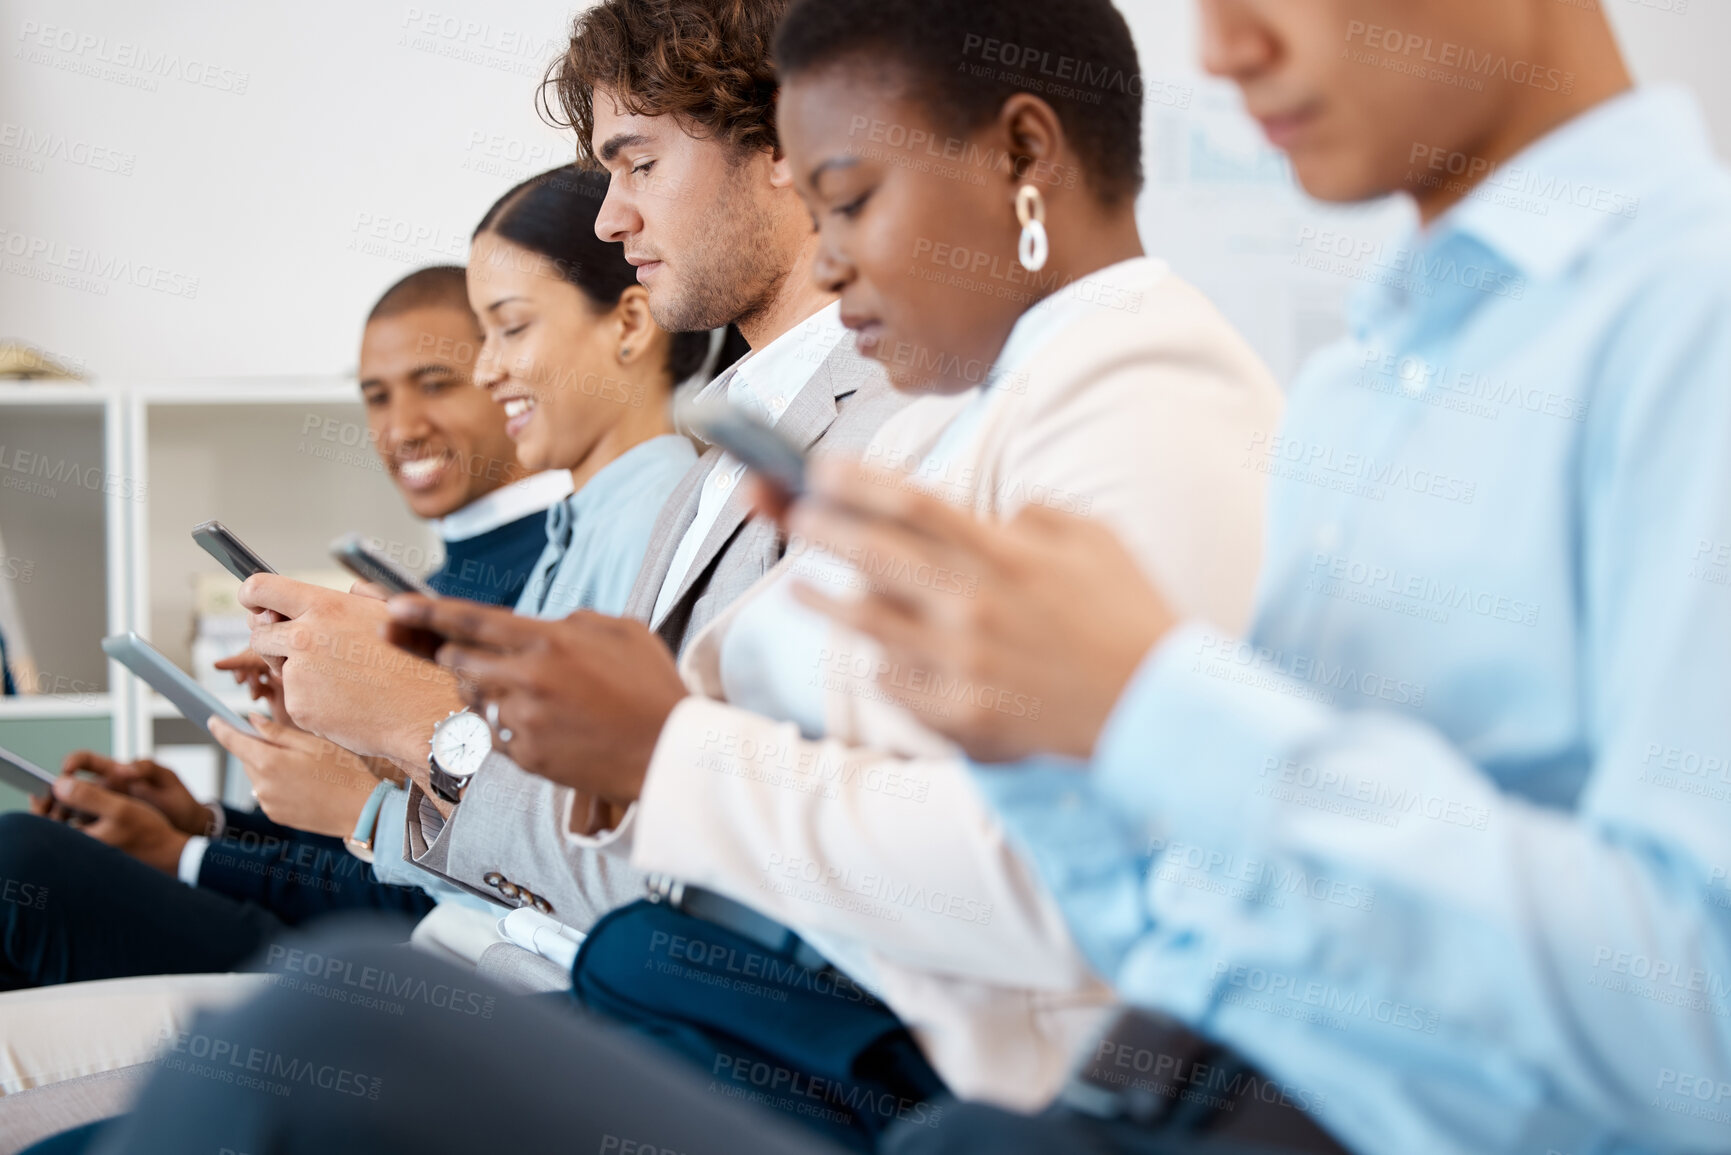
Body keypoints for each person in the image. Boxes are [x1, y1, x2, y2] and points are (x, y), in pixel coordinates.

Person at [240, 0, 1280, 1130]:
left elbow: (1082, 874)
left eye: (852, 199)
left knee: (309, 1028)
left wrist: (633, 750)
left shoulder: (1129, 388)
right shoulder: (975, 407)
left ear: (1023, 156)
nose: (827, 259)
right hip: (741, 1015)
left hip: (916, 1090)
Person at [760, 0, 1731, 1152]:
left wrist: (1158, 703)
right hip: (1147, 1088)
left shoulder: (1691, 325)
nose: (1223, 53)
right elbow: (1203, 927)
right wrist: (1022, 733)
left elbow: (1701, 1020)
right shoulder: (1365, 377)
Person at [0, 169, 703, 1108]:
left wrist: (334, 807)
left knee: (21, 873)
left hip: (462, 973)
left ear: (626, 323)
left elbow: (552, 850)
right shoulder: (575, 539)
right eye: (375, 393)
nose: (492, 371)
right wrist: (228, 815)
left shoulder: (654, 528)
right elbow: (488, 820)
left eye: (507, 331)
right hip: (439, 952)